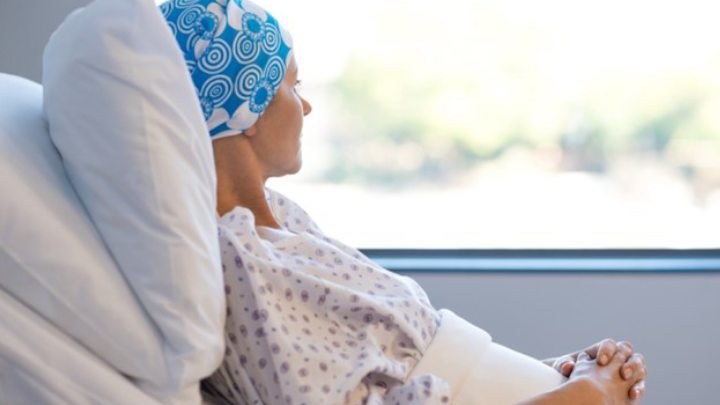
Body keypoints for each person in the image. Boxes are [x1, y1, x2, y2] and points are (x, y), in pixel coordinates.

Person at [160, 1, 648, 404]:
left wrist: (562, 371)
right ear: (247, 104)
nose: (305, 105)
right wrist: (582, 397)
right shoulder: (238, 260)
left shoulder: (283, 220)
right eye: (293, 85)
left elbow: (406, 364)